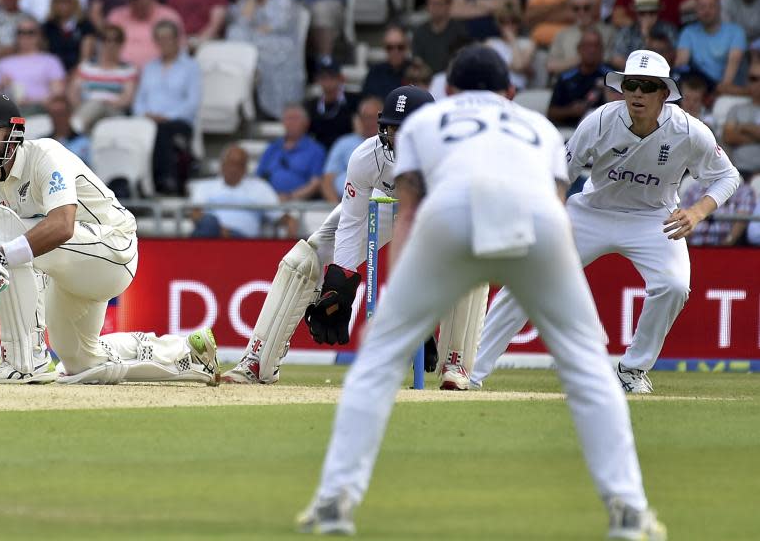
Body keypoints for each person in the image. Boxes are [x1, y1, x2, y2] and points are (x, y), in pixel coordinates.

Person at [295, 45, 668, 541]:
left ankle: (333, 503)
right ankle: (627, 508)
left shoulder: (428, 123)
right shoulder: (537, 126)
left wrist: (412, 312)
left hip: (449, 215)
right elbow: (558, 206)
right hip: (535, 220)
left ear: (449, 92)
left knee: (379, 358)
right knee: (587, 365)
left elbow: (407, 212)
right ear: (509, 93)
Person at [471, 49, 740, 395]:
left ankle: (632, 370)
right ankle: (473, 371)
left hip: (653, 219)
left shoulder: (689, 130)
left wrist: (697, 211)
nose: (638, 94)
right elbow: (560, 174)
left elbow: (727, 176)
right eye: (631, 85)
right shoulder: (599, 121)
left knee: (673, 286)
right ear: (623, 88)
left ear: (663, 93)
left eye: (647, 86)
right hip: (591, 212)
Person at [0, 90, 220, 386]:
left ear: (15, 132)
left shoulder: (46, 155)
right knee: (80, 361)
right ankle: (187, 354)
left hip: (113, 249)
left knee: (5, 230)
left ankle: (24, 361)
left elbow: (62, 225)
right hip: (71, 271)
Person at [227, 86, 484, 390]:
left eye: (405, 130)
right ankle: (258, 361)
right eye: (390, 128)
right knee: (303, 259)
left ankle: (456, 363)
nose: (395, 138)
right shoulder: (367, 156)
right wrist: (341, 282)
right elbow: (351, 221)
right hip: (385, 201)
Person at [225, 0, 304, 119]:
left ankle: (265, 106)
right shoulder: (245, 0)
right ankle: (243, 102)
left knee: (243, 42)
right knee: (234, 34)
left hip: (280, 46)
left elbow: (279, 25)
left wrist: (255, 30)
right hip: (255, 46)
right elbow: (242, 23)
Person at [132, 20, 201, 195]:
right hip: (148, 120)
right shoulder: (149, 67)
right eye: (160, 39)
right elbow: (139, 99)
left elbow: (192, 102)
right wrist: (144, 114)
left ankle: (164, 179)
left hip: (177, 121)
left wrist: (168, 116)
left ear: (177, 39)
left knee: (160, 131)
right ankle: (138, 181)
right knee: (147, 130)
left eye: (168, 38)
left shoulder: (191, 67)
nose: (164, 43)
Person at [189, 143, 294, 238]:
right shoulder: (205, 186)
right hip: (212, 235)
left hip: (242, 242)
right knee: (209, 222)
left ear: (245, 168)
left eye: (239, 165)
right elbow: (195, 215)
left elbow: (285, 219)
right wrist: (221, 231)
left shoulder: (260, 188)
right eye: (231, 163)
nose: (234, 169)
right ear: (222, 165)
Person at [675, 0, 747, 94]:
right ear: (696, 10)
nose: (706, 11)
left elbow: (727, 82)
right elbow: (680, 66)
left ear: (719, 8)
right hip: (697, 90)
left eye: (711, 6)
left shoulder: (736, 32)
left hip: (727, 92)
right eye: (702, 7)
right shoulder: (688, 32)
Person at [69, 24, 138, 132]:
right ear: (99, 42)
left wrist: (104, 103)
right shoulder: (87, 66)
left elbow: (127, 98)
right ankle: (82, 122)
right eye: (106, 39)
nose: (110, 44)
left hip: (114, 110)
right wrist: (81, 106)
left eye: (115, 40)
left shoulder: (128, 69)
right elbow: (73, 92)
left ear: (121, 43)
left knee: (97, 105)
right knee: (94, 107)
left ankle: (78, 123)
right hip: (88, 108)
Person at [0, 16, 67, 112]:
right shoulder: (2, 64)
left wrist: (31, 101)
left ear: (39, 35)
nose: (25, 36)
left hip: (41, 110)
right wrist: (2, 87)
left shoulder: (50, 61)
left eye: (30, 32)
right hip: (11, 111)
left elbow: (58, 93)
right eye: (21, 32)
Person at [107, 0, 185, 69]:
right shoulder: (116, 17)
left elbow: (181, 50)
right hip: (121, 73)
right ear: (129, 1)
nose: (145, 9)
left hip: (160, 75)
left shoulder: (169, 17)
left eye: (148, 4)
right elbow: (106, 49)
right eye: (140, 6)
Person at [255, 104, 326, 202]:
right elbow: (259, 177)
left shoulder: (315, 150)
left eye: (295, 119)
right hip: (267, 201)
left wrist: (290, 197)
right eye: (288, 118)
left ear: (306, 123)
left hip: (298, 204)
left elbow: (316, 183)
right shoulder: (272, 147)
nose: (291, 122)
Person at [320, 96, 382, 203]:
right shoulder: (343, 143)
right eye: (364, 117)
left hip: (383, 205)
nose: (368, 122)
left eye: (372, 117)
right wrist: (338, 209)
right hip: (344, 204)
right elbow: (327, 180)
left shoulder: (392, 144)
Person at [547, 29, 611, 127]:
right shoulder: (566, 78)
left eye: (596, 46)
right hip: (570, 131)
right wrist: (570, 111)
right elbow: (551, 113)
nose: (592, 50)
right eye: (588, 45)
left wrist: (607, 92)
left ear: (602, 50)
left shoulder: (611, 76)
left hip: (603, 130)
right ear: (579, 49)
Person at [546, 0, 615, 76]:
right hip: (569, 85)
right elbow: (551, 66)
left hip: (599, 83)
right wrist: (582, 58)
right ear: (570, 9)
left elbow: (613, 60)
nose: (581, 12)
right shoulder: (562, 34)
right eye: (576, 8)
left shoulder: (608, 32)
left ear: (594, 8)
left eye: (586, 8)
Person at [609, 0, 678, 70]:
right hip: (632, 76)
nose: (647, 17)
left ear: (658, 12)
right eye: (642, 13)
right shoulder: (627, 31)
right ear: (636, 13)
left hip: (661, 77)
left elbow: (672, 59)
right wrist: (639, 70)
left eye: (652, 12)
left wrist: (647, 36)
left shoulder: (668, 29)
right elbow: (616, 59)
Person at [412, 0, 470, 79]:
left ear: (448, 5)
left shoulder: (460, 31)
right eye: (431, 3)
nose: (434, 7)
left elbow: (463, 62)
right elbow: (417, 62)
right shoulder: (419, 32)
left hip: (452, 81)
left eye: (438, 3)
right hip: (427, 82)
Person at [679, 177, 755, 245]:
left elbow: (741, 220)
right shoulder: (693, 189)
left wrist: (727, 243)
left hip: (726, 248)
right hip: (693, 246)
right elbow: (683, 217)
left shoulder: (743, 190)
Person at [305, 57, 360, 150]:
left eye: (332, 77)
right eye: (323, 77)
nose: (328, 82)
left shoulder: (354, 101)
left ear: (341, 78)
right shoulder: (311, 105)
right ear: (317, 80)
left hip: (348, 150)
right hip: (320, 152)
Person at [41, 0, 97, 72]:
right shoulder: (47, 27)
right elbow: (43, 56)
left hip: (78, 74)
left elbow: (86, 59)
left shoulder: (85, 26)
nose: (63, 6)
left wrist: (73, 76)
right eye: (59, 1)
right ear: (54, 4)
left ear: (75, 3)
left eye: (67, 1)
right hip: (52, 74)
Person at [484, 0, 536, 89]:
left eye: (513, 21)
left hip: (516, 90)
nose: (509, 26)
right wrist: (510, 66)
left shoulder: (528, 44)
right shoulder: (490, 43)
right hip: (494, 89)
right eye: (504, 22)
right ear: (498, 24)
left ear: (519, 23)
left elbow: (518, 66)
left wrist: (513, 42)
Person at [722, 59, 760, 176]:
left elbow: (734, 134)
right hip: (739, 173)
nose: (758, 83)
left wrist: (744, 127)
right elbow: (728, 136)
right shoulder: (736, 109)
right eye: (754, 79)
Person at [360, 25, 411, 101]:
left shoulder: (416, 72)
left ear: (407, 46)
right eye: (390, 47)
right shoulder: (375, 73)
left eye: (400, 47)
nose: (395, 52)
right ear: (384, 48)